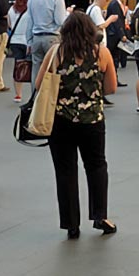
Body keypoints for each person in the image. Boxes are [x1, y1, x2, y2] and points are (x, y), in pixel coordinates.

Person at [38, 12, 118, 239]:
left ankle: (71, 223)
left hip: (60, 120)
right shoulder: (101, 53)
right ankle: (100, 216)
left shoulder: (57, 52)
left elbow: (39, 83)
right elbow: (110, 88)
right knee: (96, 166)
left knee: (65, 170)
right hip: (92, 120)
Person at [27, 0, 69, 88]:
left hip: (36, 37)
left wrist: (29, 42)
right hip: (52, 37)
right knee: (52, 70)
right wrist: (67, 14)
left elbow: (29, 21)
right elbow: (60, 21)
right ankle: (49, 99)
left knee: (36, 70)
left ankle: (35, 98)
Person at [7, 0, 32, 103]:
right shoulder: (30, 10)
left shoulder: (12, 9)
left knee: (18, 66)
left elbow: (9, 24)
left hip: (15, 40)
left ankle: (18, 94)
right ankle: (33, 92)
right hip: (26, 40)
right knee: (31, 65)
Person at [105, 0, 129, 83]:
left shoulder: (114, 4)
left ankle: (114, 79)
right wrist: (122, 34)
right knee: (114, 57)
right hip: (113, 35)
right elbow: (117, 21)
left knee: (115, 57)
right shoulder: (115, 4)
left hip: (113, 34)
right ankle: (113, 80)